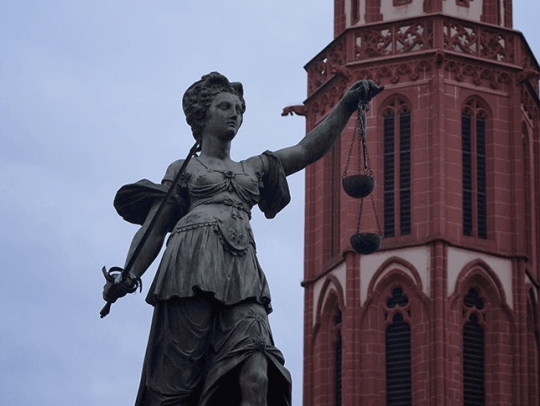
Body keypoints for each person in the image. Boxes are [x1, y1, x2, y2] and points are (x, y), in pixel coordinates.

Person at [103, 72, 382, 406]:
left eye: (238, 108)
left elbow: (307, 150)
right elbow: (155, 227)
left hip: (242, 272)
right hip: (190, 267)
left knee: (258, 370)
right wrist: (129, 274)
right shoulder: (185, 168)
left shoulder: (254, 168)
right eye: (224, 106)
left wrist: (347, 105)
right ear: (202, 116)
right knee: (178, 381)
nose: (234, 113)